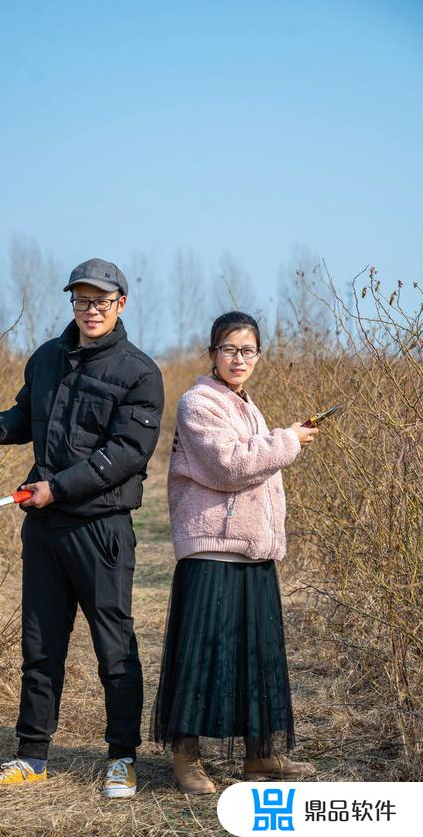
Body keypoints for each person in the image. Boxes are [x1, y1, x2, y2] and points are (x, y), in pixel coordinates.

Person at [0, 258, 164, 798]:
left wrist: (58, 487)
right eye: (82, 300)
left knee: (114, 649)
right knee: (40, 646)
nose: (91, 309)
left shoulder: (139, 373)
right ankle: (31, 755)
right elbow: (23, 415)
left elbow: (127, 453)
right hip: (44, 531)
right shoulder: (46, 358)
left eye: (102, 301)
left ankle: (121, 757)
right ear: (72, 303)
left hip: (101, 532)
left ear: (120, 304)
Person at [151, 311, 318, 793]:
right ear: (213, 354)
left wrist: (280, 436)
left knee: (255, 655)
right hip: (212, 550)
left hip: (253, 552)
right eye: (229, 349)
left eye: (248, 351)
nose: (239, 358)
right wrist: (288, 440)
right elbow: (230, 466)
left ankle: (260, 758)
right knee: (201, 655)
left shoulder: (250, 407)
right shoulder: (198, 403)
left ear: (258, 356)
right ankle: (186, 757)